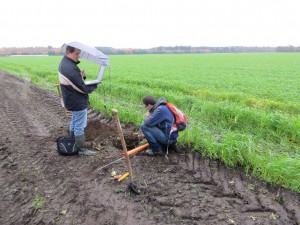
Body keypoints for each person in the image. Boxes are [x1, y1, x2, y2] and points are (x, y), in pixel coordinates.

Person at [58, 45, 98, 156]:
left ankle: (72, 141)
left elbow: (74, 82)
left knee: (74, 121)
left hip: (70, 99)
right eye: (76, 53)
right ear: (69, 52)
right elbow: (83, 88)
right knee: (79, 125)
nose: (78, 56)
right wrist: (95, 85)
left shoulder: (64, 63)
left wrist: (81, 77)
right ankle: (82, 150)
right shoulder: (70, 68)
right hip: (77, 101)